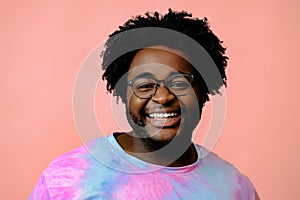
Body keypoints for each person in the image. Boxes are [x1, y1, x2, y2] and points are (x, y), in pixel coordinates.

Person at [30, 9, 260, 199]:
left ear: (204, 90)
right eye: (145, 85)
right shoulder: (66, 179)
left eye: (179, 82)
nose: (163, 97)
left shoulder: (235, 189)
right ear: (122, 94)